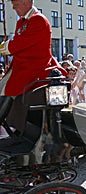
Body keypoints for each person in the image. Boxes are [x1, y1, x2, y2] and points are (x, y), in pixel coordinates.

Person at [0, 0, 66, 134]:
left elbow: (21, 43)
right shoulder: (22, 21)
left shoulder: (38, 20)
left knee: (5, 91)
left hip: (33, 68)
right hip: (21, 67)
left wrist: (5, 46)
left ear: (25, 2)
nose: (13, 7)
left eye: (16, 4)